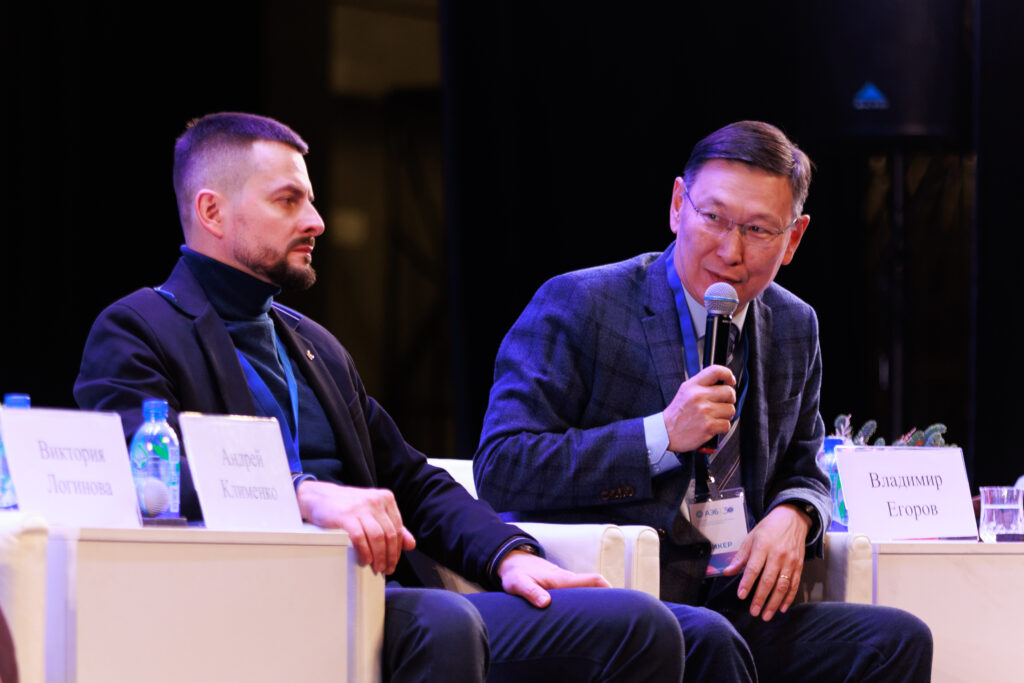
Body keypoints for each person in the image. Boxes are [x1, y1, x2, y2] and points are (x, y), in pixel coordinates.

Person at [74, 112, 684, 683]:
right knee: (443, 622)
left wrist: (509, 555)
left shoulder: (312, 343)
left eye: (311, 200)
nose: (316, 221)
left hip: (376, 594)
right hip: (255, 596)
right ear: (212, 210)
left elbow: (412, 481)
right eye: (288, 200)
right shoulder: (139, 329)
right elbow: (140, 469)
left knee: (648, 625)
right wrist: (304, 494)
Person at [475, 121, 933, 681]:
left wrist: (796, 513)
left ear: (793, 239)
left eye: (758, 229)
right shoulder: (582, 304)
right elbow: (502, 466)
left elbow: (806, 465)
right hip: (621, 605)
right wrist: (661, 436)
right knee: (712, 641)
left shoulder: (794, 324)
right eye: (713, 217)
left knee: (896, 640)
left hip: (733, 597)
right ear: (677, 206)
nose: (729, 250)